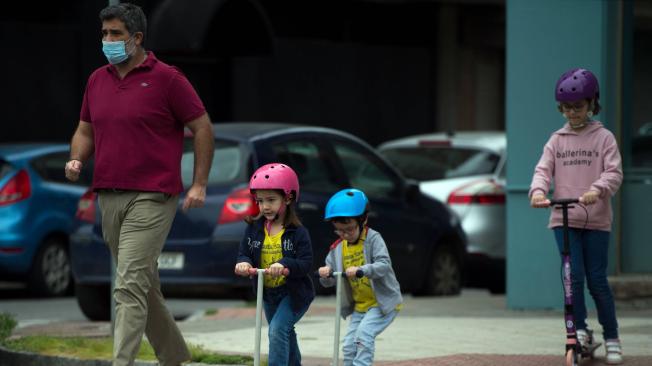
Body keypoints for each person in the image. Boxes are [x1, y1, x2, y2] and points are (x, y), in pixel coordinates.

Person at [64, 3, 215, 366]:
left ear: (136, 38)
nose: (108, 40)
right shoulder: (97, 80)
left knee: (128, 284)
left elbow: (202, 128)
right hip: (108, 194)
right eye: (104, 34)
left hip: (153, 195)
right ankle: (176, 357)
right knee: (142, 286)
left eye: (116, 33)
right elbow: (86, 129)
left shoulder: (168, 79)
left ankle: (122, 362)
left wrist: (199, 184)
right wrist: (77, 158)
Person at [529, 68, 623, 364]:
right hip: (563, 218)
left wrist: (598, 188)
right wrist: (537, 192)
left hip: (595, 219)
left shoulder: (604, 138)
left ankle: (611, 336)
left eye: (578, 107)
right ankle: (579, 330)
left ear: (592, 103)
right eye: (567, 108)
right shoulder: (556, 140)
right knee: (573, 278)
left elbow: (614, 172)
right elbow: (543, 170)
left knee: (596, 280)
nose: (573, 113)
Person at [234, 163, 314, 366]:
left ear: (288, 198)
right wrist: (243, 263)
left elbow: (305, 263)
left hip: (293, 293)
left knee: (277, 330)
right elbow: (245, 253)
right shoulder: (254, 229)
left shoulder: (298, 232)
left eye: (271, 200)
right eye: (260, 201)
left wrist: (285, 264)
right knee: (284, 332)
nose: (265, 207)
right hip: (268, 293)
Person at [317, 188, 402, 366]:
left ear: (363, 220)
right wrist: (325, 274)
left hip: (382, 303)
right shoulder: (337, 248)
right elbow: (330, 280)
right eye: (339, 231)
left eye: (349, 229)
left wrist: (362, 270)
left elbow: (384, 265)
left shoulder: (373, 239)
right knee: (349, 346)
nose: (344, 235)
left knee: (363, 336)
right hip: (360, 307)